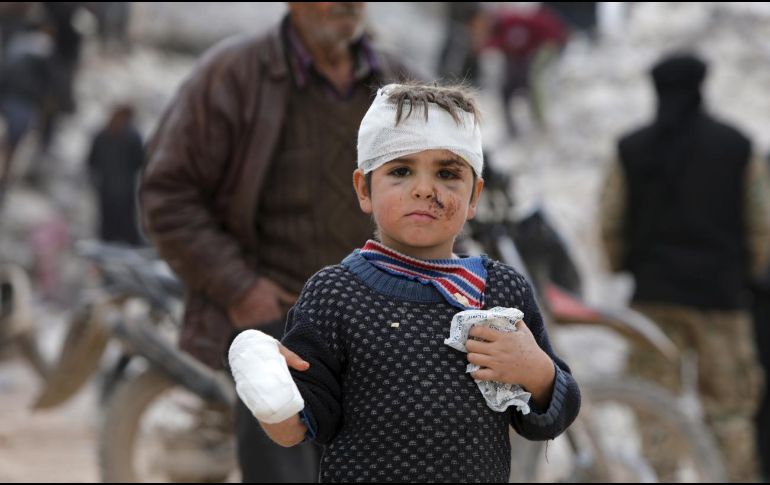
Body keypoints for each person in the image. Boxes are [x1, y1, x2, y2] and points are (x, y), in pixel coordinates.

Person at [228, 83, 581, 482]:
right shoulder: (334, 296)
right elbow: (298, 428)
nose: (425, 188)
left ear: (474, 195)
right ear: (364, 189)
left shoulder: (500, 293)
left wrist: (537, 372)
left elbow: (550, 419)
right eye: (400, 171)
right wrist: (264, 379)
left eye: (448, 173)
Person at [140, 3, 410, 482]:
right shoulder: (234, 75)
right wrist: (240, 288)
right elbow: (167, 194)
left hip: (379, 327)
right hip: (276, 324)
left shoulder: (398, 81)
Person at [600, 52, 770, 482]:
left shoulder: (631, 147)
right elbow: (761, 224)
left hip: (654, 301)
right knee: (730, 410)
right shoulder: (736, 146)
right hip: (722, 302)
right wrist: (747, 275)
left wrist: (625, 266)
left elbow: (610, 222)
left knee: (657, 406)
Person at [87, 104, 144, 245]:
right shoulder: (132, 136)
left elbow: (91, 160)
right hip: (124, 185)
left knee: (107, 219)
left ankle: (107, 243)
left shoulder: (102, 134)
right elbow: (140, 160)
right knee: (125, 219)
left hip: (105, 184)